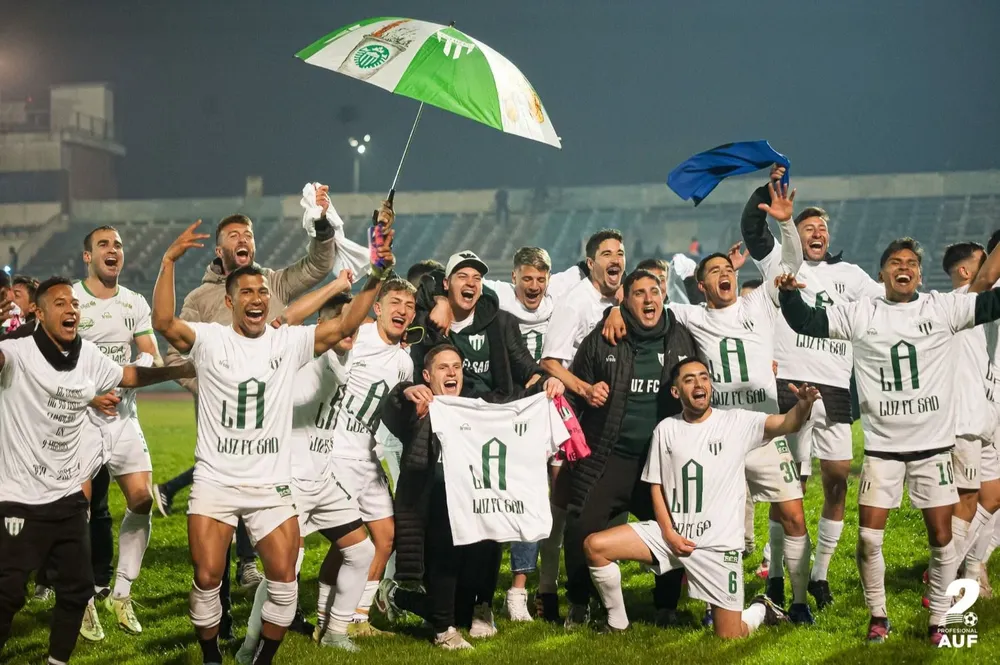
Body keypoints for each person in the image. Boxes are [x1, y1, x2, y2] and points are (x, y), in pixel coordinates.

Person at [151, 218, 394, 665]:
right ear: (230, 300)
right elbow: (164, 321)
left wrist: (375, 275)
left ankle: (261, 660)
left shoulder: (288, 342)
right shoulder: (210, 339)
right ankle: (210, 657)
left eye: (262, 291)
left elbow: (343, 327)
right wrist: (168, 261)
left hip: (270, 486)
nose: (257, 298)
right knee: (207, 578)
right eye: (246, 292)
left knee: (284, 580)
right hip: (216, 480)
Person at [777, 236, 1000, 644]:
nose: (905, 267)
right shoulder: (862, 312)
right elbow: (807, 322)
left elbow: (991, 303)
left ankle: (937, 619)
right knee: (867, 539)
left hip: (932, 448)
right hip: (882, 449)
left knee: (942, 537)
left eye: (912, 262)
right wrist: (790, 296)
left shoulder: (941, 307)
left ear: (919, 272)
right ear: (882, 273)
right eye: (896, 262)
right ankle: (878, 615)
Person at [0, 277, 191, 665]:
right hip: (18, 496)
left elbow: (129, 375)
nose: (71, 309)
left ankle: (58, 661)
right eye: (59, 303)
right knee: (8, 594)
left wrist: (177, 370)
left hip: (66, 495)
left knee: (77, 589)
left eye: (73, 303)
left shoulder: (86, 354)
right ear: (38, 312)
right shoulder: (16, 353)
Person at [584, 358, 821, 637]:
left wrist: (803, 405)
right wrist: (668, 533)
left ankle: (761, 609)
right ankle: (617, 624)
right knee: (595, 546)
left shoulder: (736, 421)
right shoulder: (666, 429)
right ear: (676, 392)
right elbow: (656, 487)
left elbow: (785, 423)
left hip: (717, 547)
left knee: (731, 635)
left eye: (704, 377)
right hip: (672, 539)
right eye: (689, 379)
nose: (699, 384)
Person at [741, 164, 883, 610]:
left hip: (837, 385)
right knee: (791, 485)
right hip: (789, 382)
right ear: (795, 235)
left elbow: (885, 311)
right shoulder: (780, 263)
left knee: (837, 480)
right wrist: (769, 189)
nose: (817, 232)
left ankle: (819, 574)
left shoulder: (854, 277)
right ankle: (779, 574)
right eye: (808, 226)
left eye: (823, 227)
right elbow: (751, 225)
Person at [376, 343, 565, 649]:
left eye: (457, 367)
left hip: (472, 511)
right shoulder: (420, 408)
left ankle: (399, 596)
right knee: (445, 576)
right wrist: (406, 392)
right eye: (442, 367)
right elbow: (392, 409)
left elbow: (516, 401)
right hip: (432, 513)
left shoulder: (477, 407)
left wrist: (547, 384)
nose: (452, 372)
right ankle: (443, 633)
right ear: (426, 375)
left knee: (460, 609)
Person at [236, 275, 378, 661]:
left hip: (323, 481)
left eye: (354, 325)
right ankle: (250, 647)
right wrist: (334, 286)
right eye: (341, 322)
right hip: (290, 483)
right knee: (285, 571)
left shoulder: (343, 356)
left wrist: (375, 281)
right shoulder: (304, 357)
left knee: (361, 552)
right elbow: (283, 322)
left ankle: (334, 632)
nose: (349, 331)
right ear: (325, 325)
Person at [408, 250, 547, 634]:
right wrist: (435, 299)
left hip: (491, 433)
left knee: (490, 515)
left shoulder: (499, 321)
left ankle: (482, 603)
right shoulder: (432, 321)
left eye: (477, 277)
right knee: (450, 521)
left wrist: (541, 380)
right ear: (447, 283)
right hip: (447, 437)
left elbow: (524, 365)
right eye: (462, 276)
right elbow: (411, 289)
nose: (470, 283)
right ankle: (430, 598)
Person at [561, 269, 698, 629]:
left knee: (674, 523)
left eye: (655, 291)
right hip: (610, 456)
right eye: (639, 293)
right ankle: (579, 602)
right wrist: (587, 399)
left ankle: (666, 605)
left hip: (660, 460)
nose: (649, 299)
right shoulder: (606, 336)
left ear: (664, 295)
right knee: (581, 525)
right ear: (625, 299)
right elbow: (578, 389)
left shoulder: (682, 336)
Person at [480, 246, 590, 620]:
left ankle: (538, 588)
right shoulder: (498, 299)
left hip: (554, 409)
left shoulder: (559, 295)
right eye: (526, 278)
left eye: (540, 279)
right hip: (513, 412)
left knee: (556, 503)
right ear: (513, 278)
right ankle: (507, 592)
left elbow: (592, 274)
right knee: (517, 499)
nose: (534, 285)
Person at [325, 278, 417, 637]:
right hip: (335, 452)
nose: (403, 311)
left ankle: (358, 617)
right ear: (377, 307)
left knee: (385, 536)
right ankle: (327, 614)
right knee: (349, 542)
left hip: (367, 455)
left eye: (409, 307)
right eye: (395, 302)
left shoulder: (405, 363)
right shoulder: (355, 339)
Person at [941, 241, 1000, 593]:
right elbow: (990, 274)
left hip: (984, 414)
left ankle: (968, 568)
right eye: (984, 261)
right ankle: (945, 575)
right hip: (964, 417)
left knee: (991, 496)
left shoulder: (985, 304)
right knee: (966, 499)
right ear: (966, 272)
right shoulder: (963, 300)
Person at [540, 229, 624, 402]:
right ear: (591, 264)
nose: (615, 259)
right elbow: (549, 362)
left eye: (620, 254)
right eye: (607, 254)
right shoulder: (573, 303)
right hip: (583, 399)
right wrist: (586, 390)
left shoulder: (626, 298)